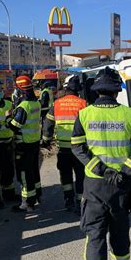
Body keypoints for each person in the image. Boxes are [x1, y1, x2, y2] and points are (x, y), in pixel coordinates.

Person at [71, 67, 131, 260]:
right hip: (121, 184)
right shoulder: (129, 114)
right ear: (116, 91)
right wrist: (125, 172)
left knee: (95, 234)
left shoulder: (84, 114)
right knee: (120, 231)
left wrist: (101, 169)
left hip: (95, 185)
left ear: (97, 91)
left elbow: (77, 146)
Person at [42, 75, 87, 212]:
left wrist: (46, 140)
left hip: (63, 149)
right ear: (77, 91)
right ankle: (80, 202)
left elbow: (48, 125)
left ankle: (68, 200)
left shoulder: (57, 104)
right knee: (81, 176)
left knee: (65, 174)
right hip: (80, 148)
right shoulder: (83, 104)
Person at [7, 75, 42, 212]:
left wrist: (8, 118)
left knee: (24, 174)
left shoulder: (24, 106)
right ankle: (37, 194)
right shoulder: (36, 103)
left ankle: (27, 203)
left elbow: (15, 126)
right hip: (34, 142)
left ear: (20, 89)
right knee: (34, 170)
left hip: (23, 144)